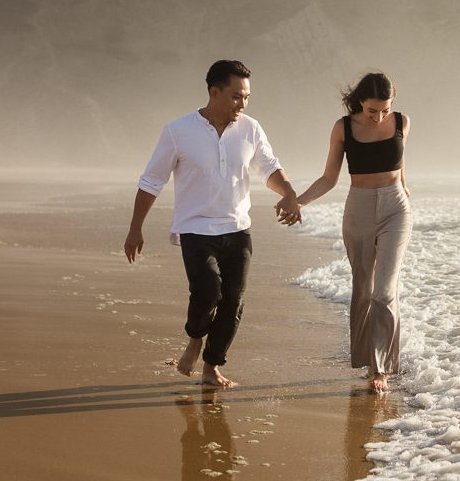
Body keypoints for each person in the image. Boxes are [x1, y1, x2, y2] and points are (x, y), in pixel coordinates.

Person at [124, 60, 301, 388]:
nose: (242, 104)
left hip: (237, 228)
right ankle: (195, 339)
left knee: (233, 301)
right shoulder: (179, 131)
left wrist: (289, 192)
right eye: (236, 96)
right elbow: (151, 181)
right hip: (195, 228)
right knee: (208, 293)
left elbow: (269, 169)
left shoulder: (250, 128)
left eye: (246, 97)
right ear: (214, 92)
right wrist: (136, 228)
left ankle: (211, 367)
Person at [296, 72, 412, 393]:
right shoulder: (343, 128)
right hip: (358, 209)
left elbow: (400, 164)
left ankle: (381, 370)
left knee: (385, 290)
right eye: (373, 110)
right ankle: (365, 360)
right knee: (362, 287)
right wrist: (298, 201)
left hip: (395, 209)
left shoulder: (402, 122)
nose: (379, 117)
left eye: (385, 110)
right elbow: (329, 178)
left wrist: (403, 188)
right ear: (361, 102)